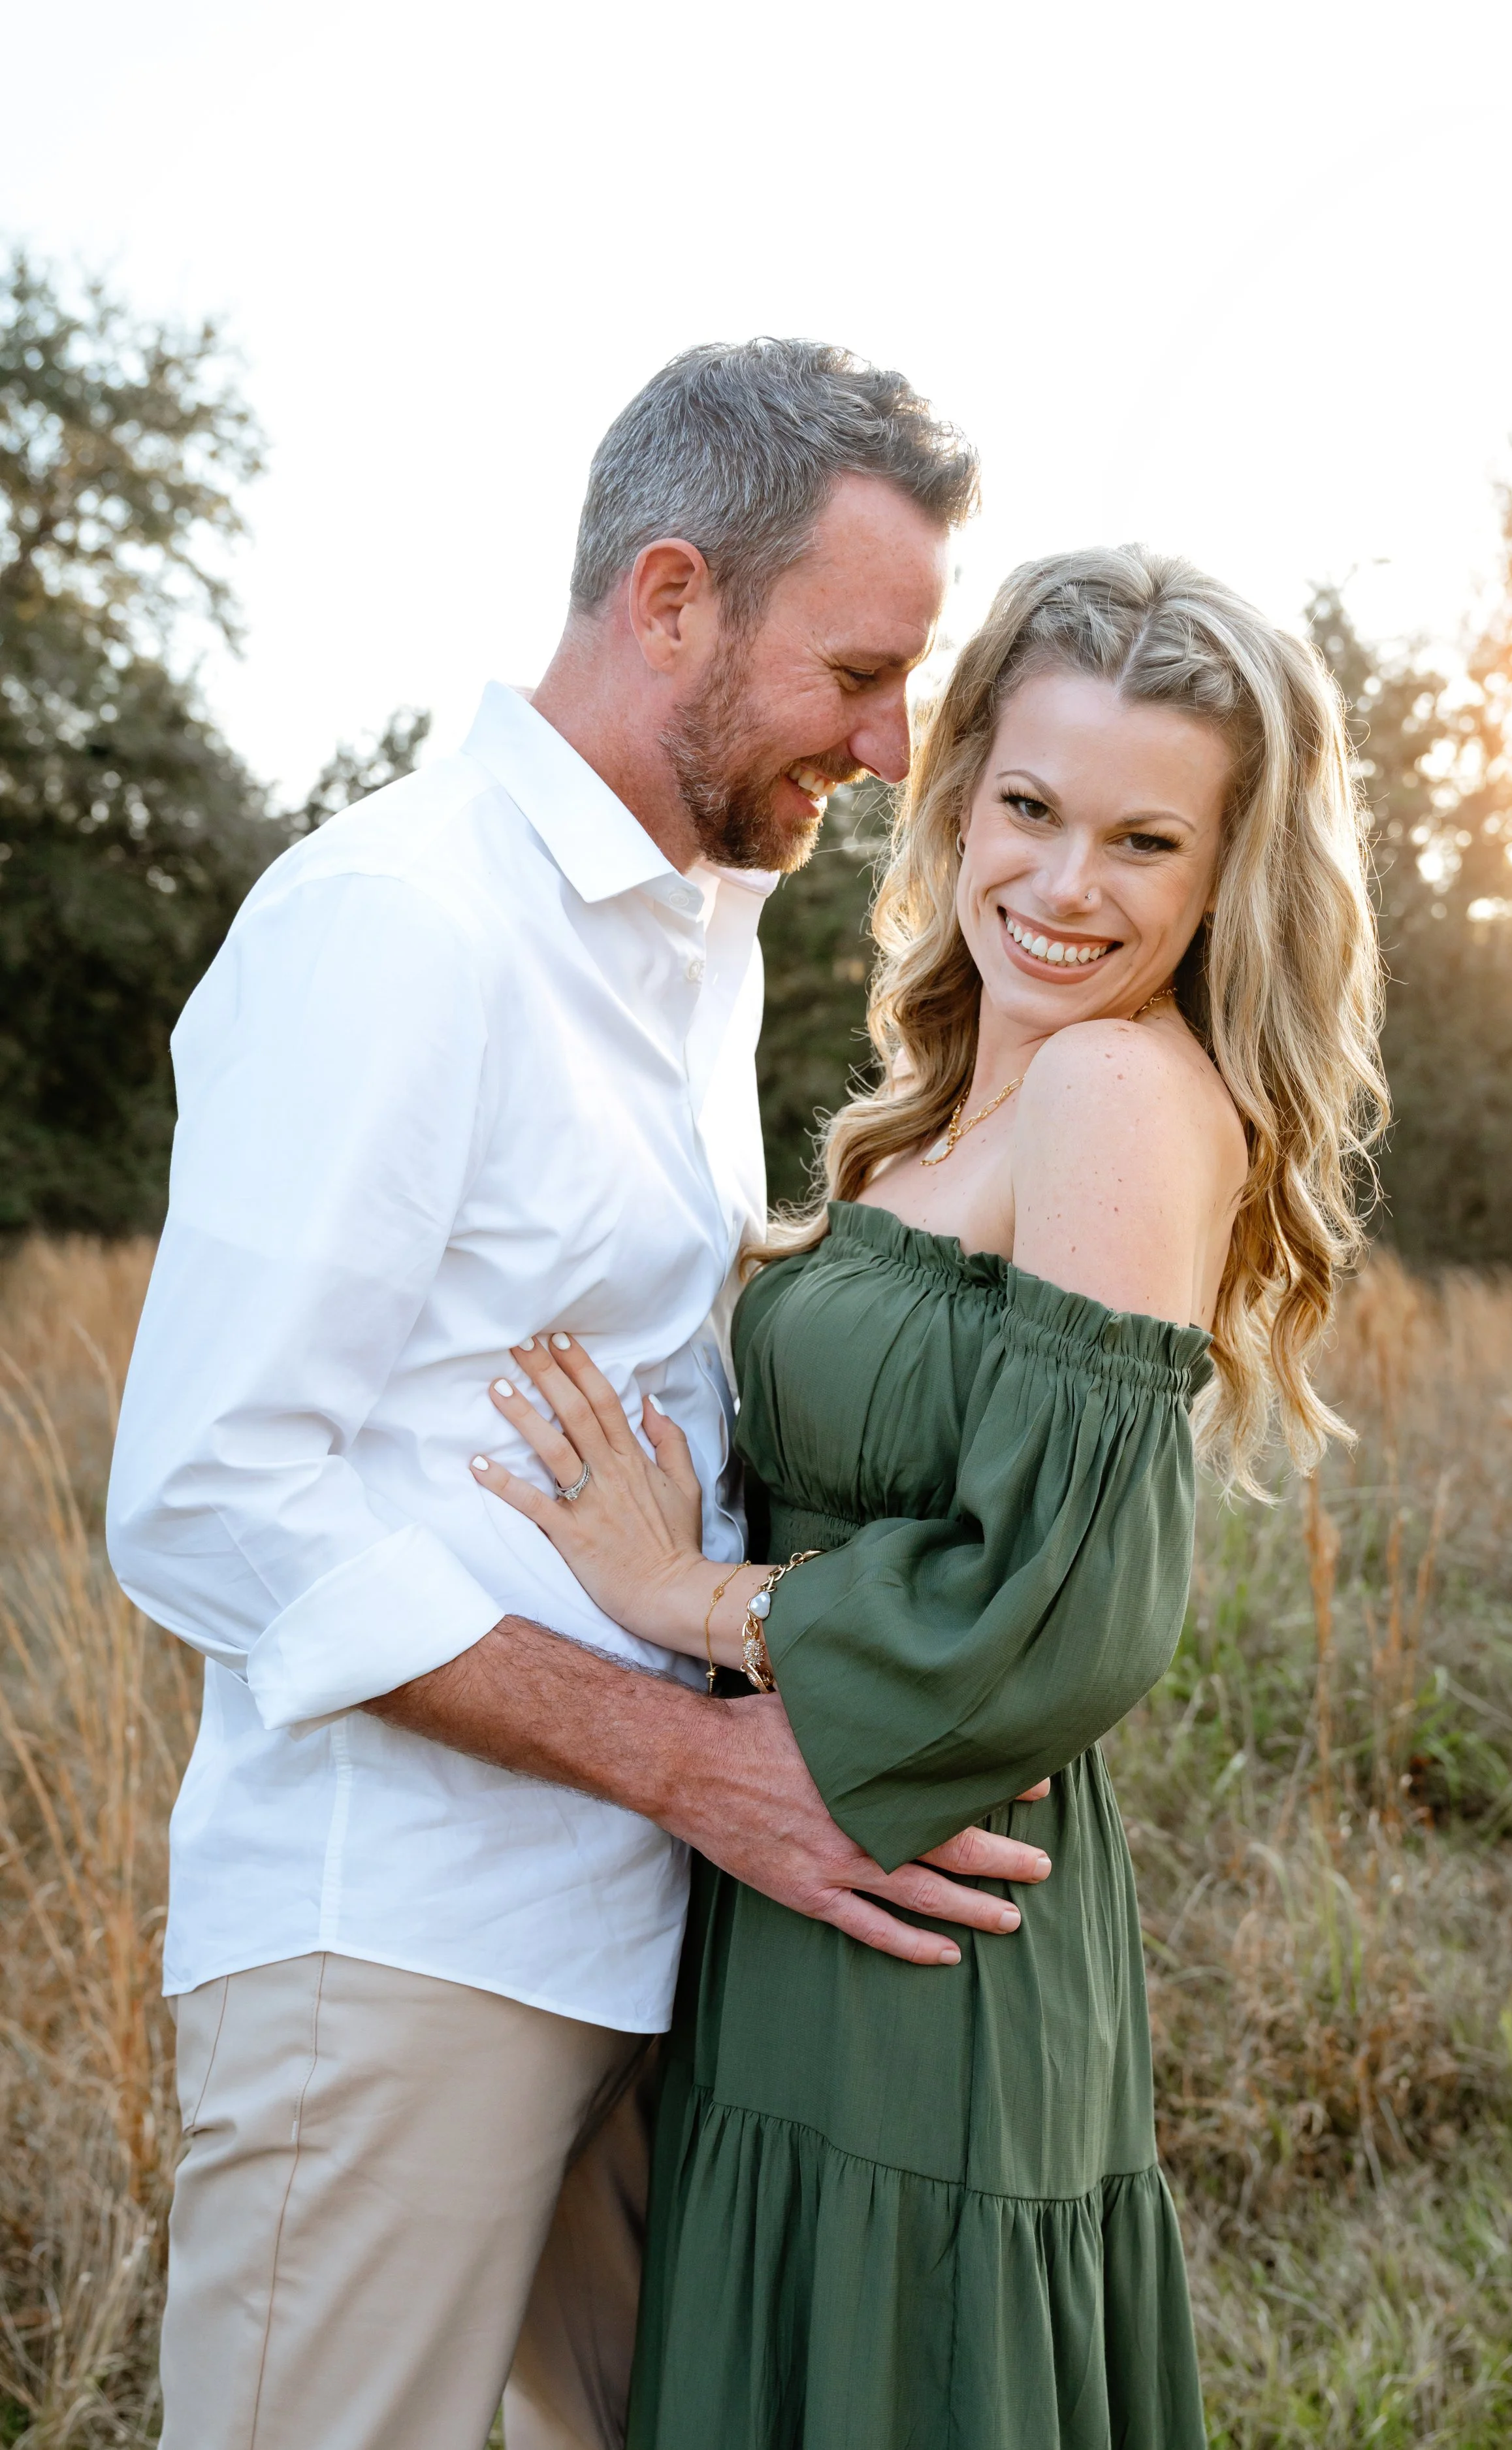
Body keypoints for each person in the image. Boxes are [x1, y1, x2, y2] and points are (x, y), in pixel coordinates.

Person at [105, 339, 1058, 2450]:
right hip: (401, 1954)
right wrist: (686, 1761)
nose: (897, 747)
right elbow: (201, 1495)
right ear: (668, 599)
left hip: (629, 1952)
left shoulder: (687, 942)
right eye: (860, 672)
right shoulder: (397, 920)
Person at [469, 545, 1389, 2449]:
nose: (1063, 885)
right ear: (960, 789)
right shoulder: (966, 1093)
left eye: (1144, 842)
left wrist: (691, 1605)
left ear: (1224, 877)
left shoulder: (1118, 1094)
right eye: (1030, 807)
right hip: (803, 1880)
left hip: (927, 1942)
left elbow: (1060, 1607)